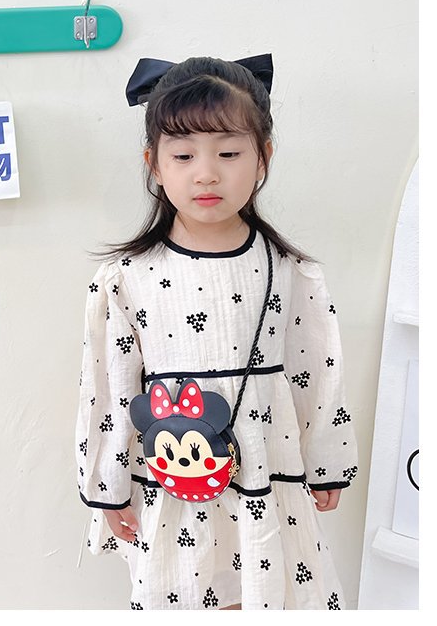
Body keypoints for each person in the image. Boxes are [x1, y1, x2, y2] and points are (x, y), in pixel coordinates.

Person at [74, 54, 358, 610]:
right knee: (184, 590)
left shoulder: (290, 270)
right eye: (183, 156)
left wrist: (326, 458)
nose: (206, 173)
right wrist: (107, 482)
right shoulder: (127, 277)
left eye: (228, 153)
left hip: (265, 470)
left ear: (263, 157)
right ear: (155, 164)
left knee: (266, 592)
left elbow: (317, 369)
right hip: (173, 476)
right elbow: (108, 386)